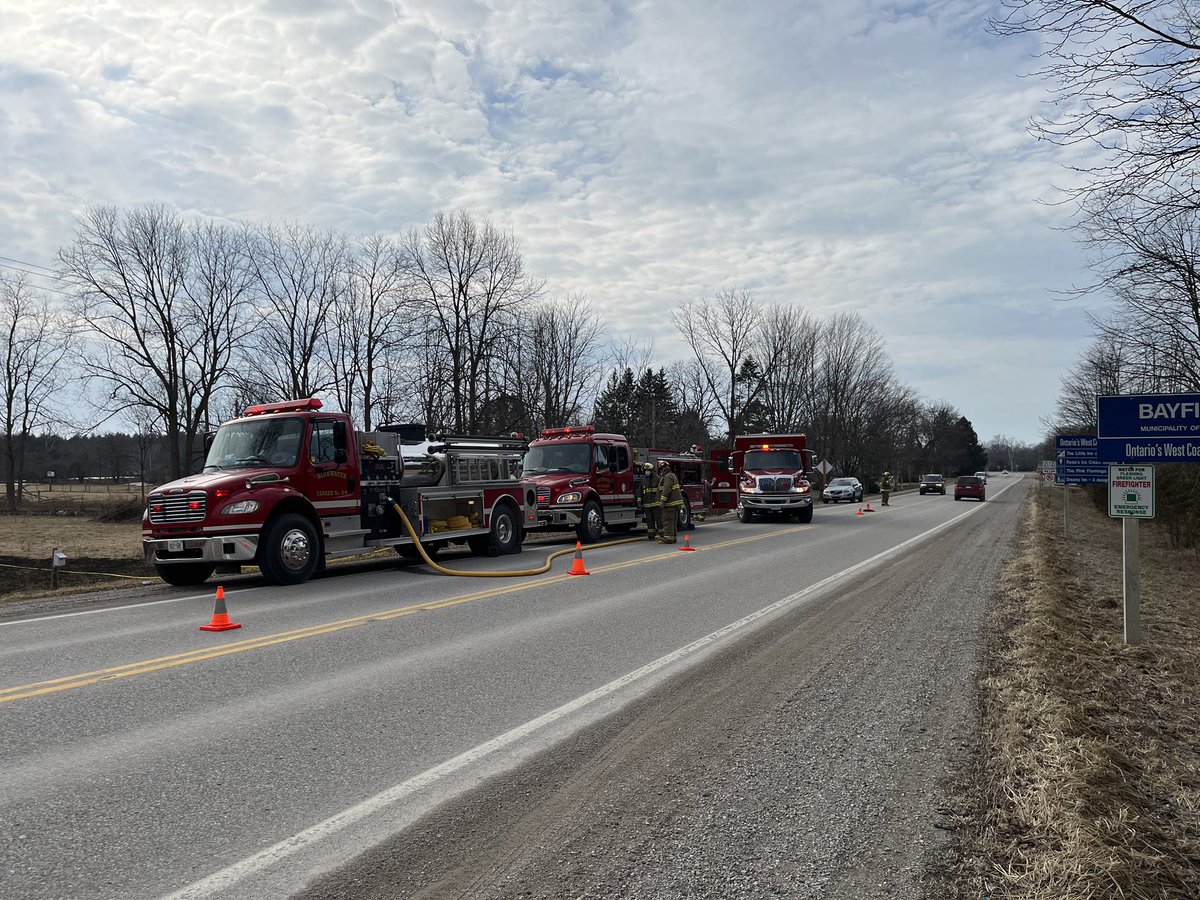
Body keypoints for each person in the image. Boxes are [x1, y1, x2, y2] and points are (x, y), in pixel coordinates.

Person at [658, 458, 684, 543]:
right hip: (674, 503)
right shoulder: (672, 475)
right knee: (672, 521)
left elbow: (667, 490)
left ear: (667, 467)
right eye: (662, 468)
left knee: (667, 520)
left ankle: (668, 538)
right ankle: (673, 537)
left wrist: (662, 501)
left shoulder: (668, 476)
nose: (663, 469)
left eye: (664, 467)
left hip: (669, 503)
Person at [640, 462, 661, 540]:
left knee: (659, 520)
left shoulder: (658, 479)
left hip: (656, 504)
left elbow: (661, 491)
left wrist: (661, 501)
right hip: (647, 505)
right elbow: (640, 492)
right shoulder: (643, 481)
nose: (647, 472)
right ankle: (651, 535)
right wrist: (639, 502)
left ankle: (662, 534)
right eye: (646, 470)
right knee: (649, 521)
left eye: (648, 470)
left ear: (652, 471)